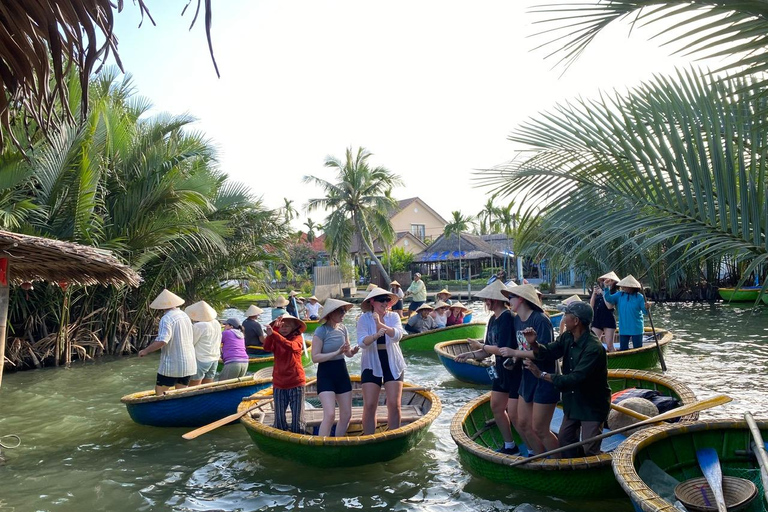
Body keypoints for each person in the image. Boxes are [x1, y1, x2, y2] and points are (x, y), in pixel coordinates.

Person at [509, 301, 610, 458]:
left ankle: (590, 472)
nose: (563, 319)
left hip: (592, 404)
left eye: (566, 315)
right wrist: (534, 344)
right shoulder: (567, 337)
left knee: (590, 448)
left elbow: (574, 378)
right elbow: (549, 351)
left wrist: (541, 374)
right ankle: (570, 472)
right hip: (573, 401)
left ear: (576, 321)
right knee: (565, 440)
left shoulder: (593, 348)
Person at [455, 279, 520, 455]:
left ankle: (530, 448)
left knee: (515, 415)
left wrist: (480, 346)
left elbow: (502, 350)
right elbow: (489, 350)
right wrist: (469, 355)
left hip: (513, 370)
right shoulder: (492, 319)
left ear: (496, 300)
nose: (486, 303)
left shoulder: (508, 318)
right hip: (500, 370)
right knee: (497, 407)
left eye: (487, 299)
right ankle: (509, 445)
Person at [500, 284, 559, 456]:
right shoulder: (518, 319)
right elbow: (523, 346)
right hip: (527, 376)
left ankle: (558, 462)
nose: (508, 301)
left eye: (510, 297)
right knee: (523, 423)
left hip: (544, 378)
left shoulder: (540, 320)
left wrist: (514, 352)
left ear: (521, 299)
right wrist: (515, 358)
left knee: (540, 428)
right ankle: (539, 457)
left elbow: (544, 353)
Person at [356, 287, 406, 435]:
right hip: (371, 363)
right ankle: (369, 438)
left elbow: (397, 336)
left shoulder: (394, 317)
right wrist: (376, 335)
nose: (385, 303)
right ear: (372, 302)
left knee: (394, 404)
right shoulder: (364, 319)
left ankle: (393, 436)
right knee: (370, 405)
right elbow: (362, 342)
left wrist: (380, 325)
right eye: (382, 300)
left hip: (393, 363)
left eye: (387, 300)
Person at [311, 299, 359, 437]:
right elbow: (315, 357)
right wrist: (336, 352)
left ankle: (338, 441)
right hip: (326, 374)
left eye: (344, 311)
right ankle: (321, 445)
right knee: (330, 414)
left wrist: (352, 352)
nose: (343, 313)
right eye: (340, 311)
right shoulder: (321, 331)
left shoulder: (343, 329)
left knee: (346, 415)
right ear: (331, 313)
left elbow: (347, 353)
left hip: (341, 372)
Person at [138, 289, 196, 396]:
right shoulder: (184, 315)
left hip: (173, 364)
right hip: (189, 363)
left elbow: (163, 341)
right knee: (181, 392)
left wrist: (145, 351)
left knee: (160, 390)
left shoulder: (166, 318)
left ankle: (162, 410)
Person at [264, 314, 308, 433]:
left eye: (287, 326)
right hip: (279, 382)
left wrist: (274, 333)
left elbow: (291, 347)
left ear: (294, 327)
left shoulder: (297, 338)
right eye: (281, 326)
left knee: (297, 420)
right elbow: (267, 347)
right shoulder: (276, 337)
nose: (284, 328)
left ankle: (300, 439)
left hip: (296, 382)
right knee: (279, 420)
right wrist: (271, 334)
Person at [603, 274, 649, 351]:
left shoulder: (639, 297)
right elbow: (609, 299)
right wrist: (606, 287)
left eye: (627, 286)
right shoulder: (620, 295)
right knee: (623, 349)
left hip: (636, 328)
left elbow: (645, 312)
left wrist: (647, 308)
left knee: (637, 349)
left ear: (633, 287)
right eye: (624, 286)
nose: (624, 288)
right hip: (624, 327)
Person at [185, 301, 221, 386]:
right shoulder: (216, 323)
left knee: (194, 384)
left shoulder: (200, 325)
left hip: (202, 358)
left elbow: (191, 342)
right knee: (208, 384)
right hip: (214, 357)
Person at [591, 271, 619, 351]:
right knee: (593, 343)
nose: (605, 282)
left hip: (608, 318)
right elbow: (591, 305)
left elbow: (609, 306)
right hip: (597, 318)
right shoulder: (601, 291)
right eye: (603, 281)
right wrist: (594, 293)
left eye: (608, 281)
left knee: (609, 345)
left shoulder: (615, 293)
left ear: (613, 282)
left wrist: (603, 293)